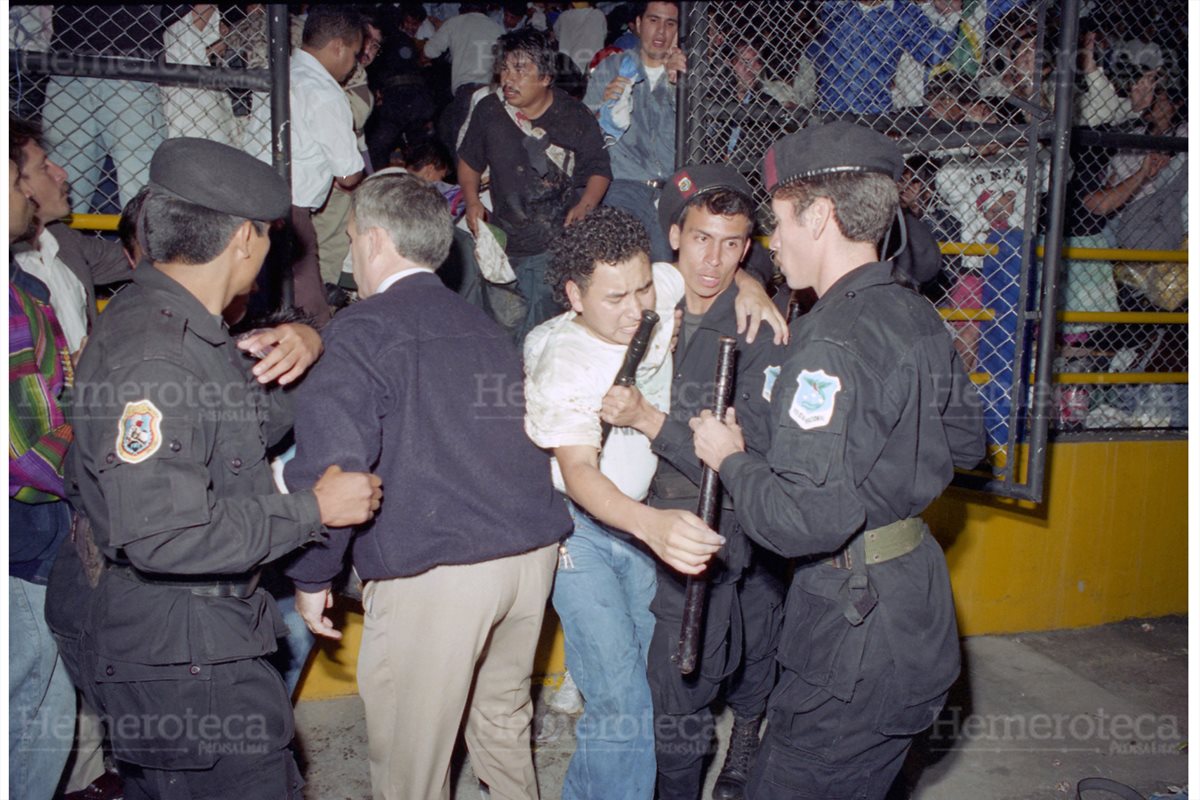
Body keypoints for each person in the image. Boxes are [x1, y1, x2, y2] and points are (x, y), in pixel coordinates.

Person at [46, 137, 382, 800]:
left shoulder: (172, 323)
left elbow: (247, 424)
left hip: (186, 644)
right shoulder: (158, 357)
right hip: (184, 659)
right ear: (243, 241)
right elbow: (162, 534)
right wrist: (316, 509)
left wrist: (314, 342)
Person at [690, 122, 986, 799]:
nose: (772, 240)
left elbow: (802, 521)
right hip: (913, 605)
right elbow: (967, 445)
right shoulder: (915, 314)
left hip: (851, 638)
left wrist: (731, 458)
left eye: (780, 220)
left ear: (820, 216)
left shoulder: (830, 343)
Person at [285, 172, 571, 800]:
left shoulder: (359, 333)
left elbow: (335, 471)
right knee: (501, 726)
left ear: (377, 241)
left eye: (354, 237)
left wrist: (312, 577)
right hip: (529, 559)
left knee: (412, 765)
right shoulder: (488, 330)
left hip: (441, 575)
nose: (350, 253)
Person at [523, 205, 784, 799]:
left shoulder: (646, 284)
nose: (637, 308)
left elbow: (695, 273)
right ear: (574, 296)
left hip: (639, 527)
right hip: (582, 531)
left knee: (646, 693)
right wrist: (654, 527)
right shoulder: (562, 363)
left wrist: (751, 287)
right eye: (615, 297)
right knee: (619, 698)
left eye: (643, 288)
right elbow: (580, 474)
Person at [599, 166, 789, 800]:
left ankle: (740, 744)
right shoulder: (641, 301)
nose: (716, 260)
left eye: (734, 244)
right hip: (623, 514)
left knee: (724, 663)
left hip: (707, 522)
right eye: (703, 238)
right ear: (673, 235)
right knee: (646, 683)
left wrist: (653, 423)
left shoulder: (757, 331)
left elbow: (742, 463)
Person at [459, 26, 611, 341]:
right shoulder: (490, 111)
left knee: (538, 331)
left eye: (519, 70)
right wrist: (472, 201)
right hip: (505, 240)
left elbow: (598, 168)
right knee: (502, 325)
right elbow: (469, 161)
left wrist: (585, 205)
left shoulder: (573, 116)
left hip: (554, 242)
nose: (508, 79)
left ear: (545, 77)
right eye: (504, 69)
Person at [9, 155, 78, 800]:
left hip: (31, 530)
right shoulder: (11, 304)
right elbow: (24, 456)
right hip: (22, 533)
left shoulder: (22, 289)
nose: (28, 186)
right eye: (17, 174)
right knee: (35, 707)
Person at [585, 1, 686, 263]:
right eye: (654, 20)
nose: (661, 31)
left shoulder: (688, 72)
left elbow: (703, 135)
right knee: (625, 262)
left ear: (678, 31)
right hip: (624, 183)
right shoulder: (611, 68)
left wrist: (677, 84)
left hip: (673, 188)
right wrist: (602, 111)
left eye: (670, 23)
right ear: (639, 24)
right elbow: (584, 134)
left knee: (667, 272)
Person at [289, 6, 366, 325]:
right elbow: (348, 175)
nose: (354, 65)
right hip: (291, 209)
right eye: (355, 54)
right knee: (311, 307)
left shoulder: (284, 72)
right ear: (338, 46)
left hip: (261, 193)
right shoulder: (326, 92)